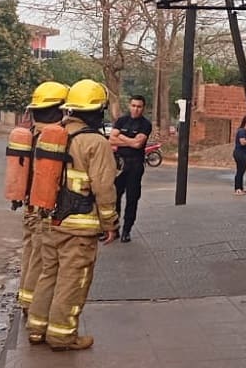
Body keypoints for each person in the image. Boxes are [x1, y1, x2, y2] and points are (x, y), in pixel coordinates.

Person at [26, 79, 119, 352]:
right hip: (79, 228)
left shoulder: (51, 134)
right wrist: (110, 223)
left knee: (48, 275)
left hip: (49, 221)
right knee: (73, 281)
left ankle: (36, 329)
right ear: (95, 111)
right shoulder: (95, 142)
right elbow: (104, 187)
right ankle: (62, 336)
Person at [16, 81, 69, 313]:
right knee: (41, 258)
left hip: (29, 206)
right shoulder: (55, 138)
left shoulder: (29, 135)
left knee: (30, 252)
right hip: (44, 209)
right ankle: (32, 304)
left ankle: (25, 298)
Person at [109, 94, 152, 243]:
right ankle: (113, 229)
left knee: (132, 199)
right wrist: (130, 140)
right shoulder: (121, 120)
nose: (136, 109)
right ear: (129, 106)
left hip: (135, 165)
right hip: (120, 165)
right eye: (133, 106)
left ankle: (127, 230)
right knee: (115, 198)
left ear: (143, 108)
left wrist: (121, 137)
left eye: (139, 107)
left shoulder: (145, 124)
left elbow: (137, 145)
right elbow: (111, 140)